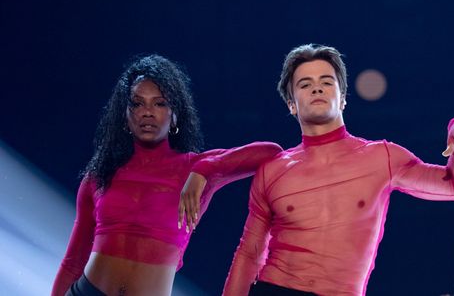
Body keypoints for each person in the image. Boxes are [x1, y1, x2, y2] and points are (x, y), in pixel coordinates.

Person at [220, 44, 454, 296]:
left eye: (326, 82)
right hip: (275, 289)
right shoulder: (273, 170)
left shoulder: (382, 157)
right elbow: (249, 253)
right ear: (291, 104)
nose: (317, 89)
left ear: (343, 98)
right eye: (305, 84)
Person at [51, 54, 283, 296]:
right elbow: (73, 262)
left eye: (160, 103)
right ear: (125, 115)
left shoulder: (195, 167)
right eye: (137, 103)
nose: (148, 112)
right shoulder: (99, 175)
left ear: (175, 116)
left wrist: (203, 171)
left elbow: (270, 152)